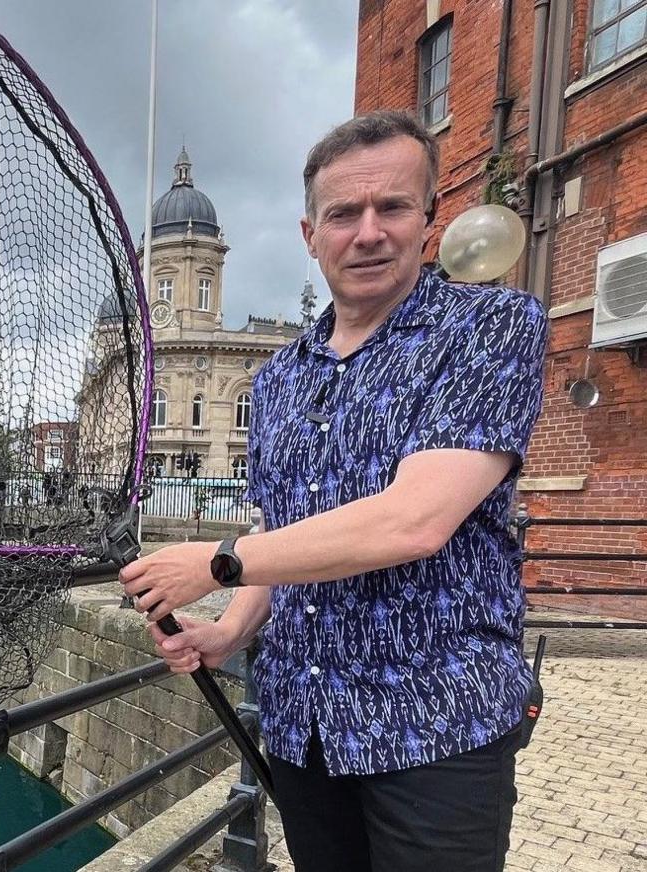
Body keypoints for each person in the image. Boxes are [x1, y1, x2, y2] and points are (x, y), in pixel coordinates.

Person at [118, 110, 547, 870]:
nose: (369, 231)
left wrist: (218, 562)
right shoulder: (280, 377)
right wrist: (231, 630)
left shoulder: (490, 328)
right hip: (307, 726)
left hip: (435, 724)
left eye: (393, 208)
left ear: (429, 218)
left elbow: (415, 521)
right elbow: (288, 532)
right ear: (311, 234)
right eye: (344, 213)